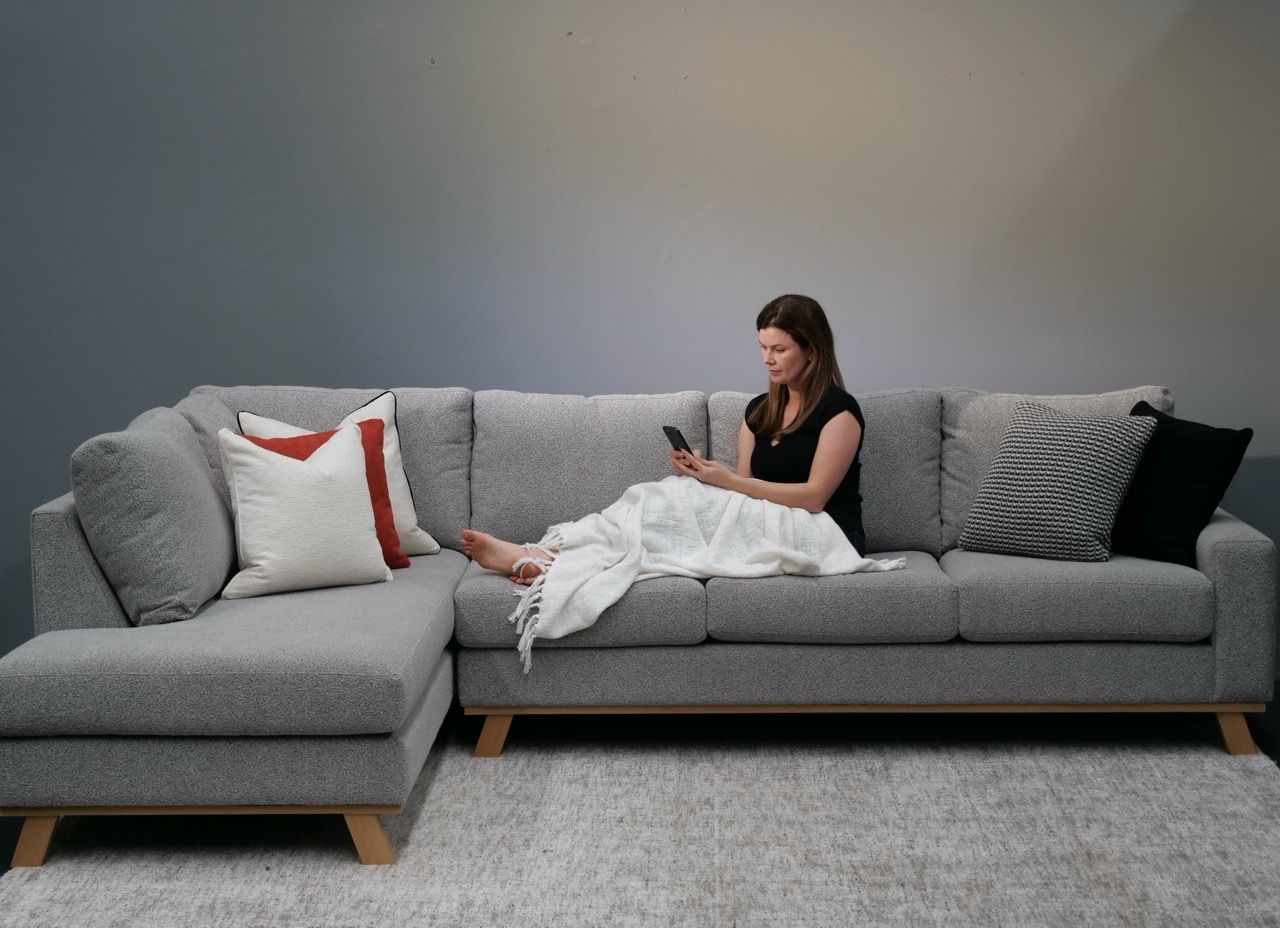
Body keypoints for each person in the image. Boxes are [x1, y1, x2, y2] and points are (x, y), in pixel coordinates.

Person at [461, 293, 868, 582]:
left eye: (779, 349)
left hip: (824, 530)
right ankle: (549, 555)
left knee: (673, 507)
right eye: (762, 347)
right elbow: (744, 496)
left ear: (811, 350)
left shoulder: (839, 412)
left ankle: (543, 559)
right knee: (661, 498)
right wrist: (705, 475)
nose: (767, 359)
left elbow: (815, 497)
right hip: (765, 518)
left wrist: (725, 481)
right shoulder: (759, 412)